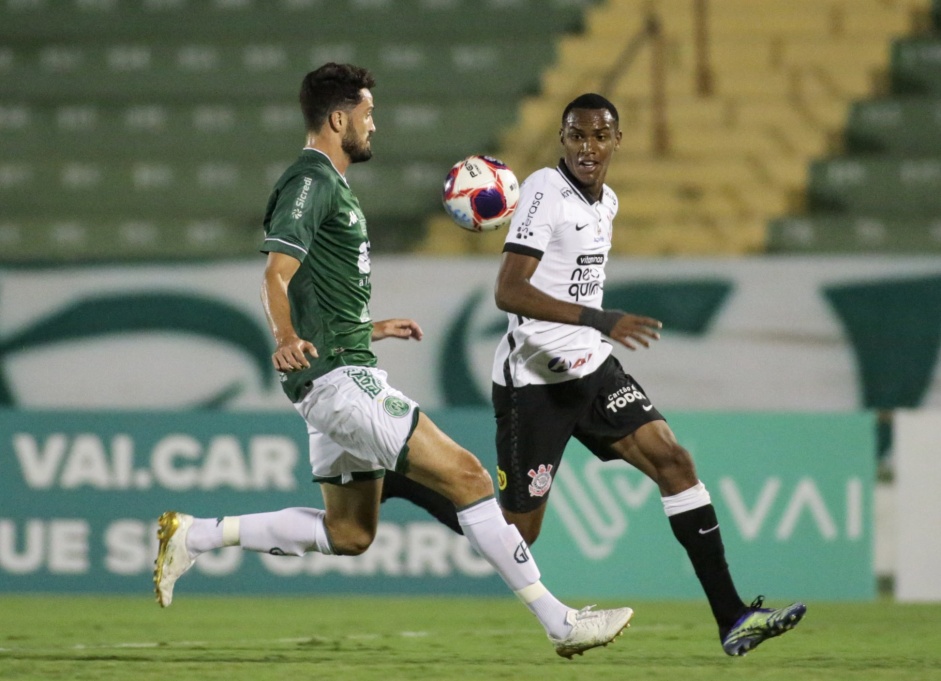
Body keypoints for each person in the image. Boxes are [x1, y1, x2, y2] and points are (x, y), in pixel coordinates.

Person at [152, 64, 634, 660]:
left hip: (333, 369)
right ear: (338, 118)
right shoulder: (311, 181)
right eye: (367, 113)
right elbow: (276, 274)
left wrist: (368, 328)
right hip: (338, 382)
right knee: (470, 479)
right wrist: (282, 334)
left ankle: (195, 535)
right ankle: (560, 622)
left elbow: (314, 291)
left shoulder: (331, 184)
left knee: (349, 533)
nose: (373, 124)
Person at [381, 93, 806, 657]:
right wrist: (600, 318)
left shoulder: (607, 203)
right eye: (577, 136)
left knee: (674, 462)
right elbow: (508, 291)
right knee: (519, 534)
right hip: (534, 383)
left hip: (593, 370)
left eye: (600, 136)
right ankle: (403, 483)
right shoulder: (541, 191)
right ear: (562, 139)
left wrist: (593, 333)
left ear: (616, 141)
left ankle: (732, 618)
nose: (588, 147)